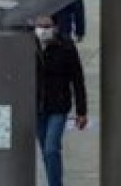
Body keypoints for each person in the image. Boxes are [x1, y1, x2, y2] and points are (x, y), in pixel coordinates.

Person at [35, 14, 88, 186]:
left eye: (47, 26)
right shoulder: (28, 46)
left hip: (58, 105)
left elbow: (77, 79)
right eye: (40, 26)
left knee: (51, 148)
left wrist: (81, 111)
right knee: (45, 150)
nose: (43, 30)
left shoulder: (66, 47)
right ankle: (54, 180)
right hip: (37, 106)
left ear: (55, 27)